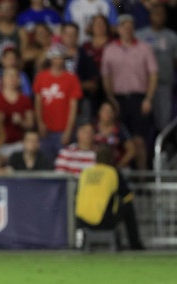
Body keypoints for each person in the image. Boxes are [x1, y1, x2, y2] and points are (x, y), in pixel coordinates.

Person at [101, 14, 158, 170]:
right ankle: (118, 175)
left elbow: (153, 74)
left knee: (139, 140)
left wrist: (148, 98)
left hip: (139, 98)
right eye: (123, 26)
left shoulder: (145, 48)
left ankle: (141, 178)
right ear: (118, 29)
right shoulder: (110, 49)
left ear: (133, 28)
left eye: (130, 26)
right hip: (118, 100)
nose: (127, 29)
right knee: (119, 140)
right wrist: (111, 98)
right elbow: (106, 76)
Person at [75, 145, 144, 250]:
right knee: (128, 206)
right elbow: (128, 196)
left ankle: (79, 242)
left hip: (81, 221)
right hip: (102, 222)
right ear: (111, 158)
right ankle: (135, 244)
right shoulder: (112, 172)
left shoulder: (86, 172)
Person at [33, 44, 83, 161]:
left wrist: (69, 130)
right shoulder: (41, 77)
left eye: (60, 57)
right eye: (55, 57)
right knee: (45, 161)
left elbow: (73, 106)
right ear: (50, 59)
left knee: (64, 161)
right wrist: (40, 123)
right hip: (46, 129)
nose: (58, 60)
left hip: (63, 129)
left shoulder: (71, 78)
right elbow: (38, 101)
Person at [136, 4, 177, 134]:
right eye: (155, 14)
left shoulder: (172, 37)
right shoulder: (139, 35)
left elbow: (175, 61)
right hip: (142, 86)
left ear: (165, 17)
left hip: (164, 83)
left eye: (161, 14)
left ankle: (163, 148)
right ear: (150, 16)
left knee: (163, 121)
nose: (158, 17)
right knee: (142, 122)